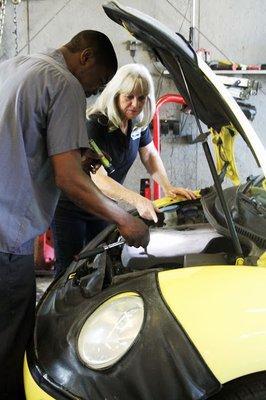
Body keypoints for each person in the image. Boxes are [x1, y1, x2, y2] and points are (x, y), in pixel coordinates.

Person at [0, 32, 149, 399]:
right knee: (10, 342)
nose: (92, 91)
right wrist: (124, 219)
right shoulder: (65, 84)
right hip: (6, 237)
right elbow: (67, 179)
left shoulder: (18, 65)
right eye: (97, 82)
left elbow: (22, 138)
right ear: (85, 57)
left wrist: (78, 157)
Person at [53, 63, 196, 277]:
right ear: (115, 93)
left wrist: (168, 187)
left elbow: (149, 154)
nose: (135, 104)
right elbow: (99, 179)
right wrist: (137, 200)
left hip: (101, 205)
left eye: (141, 98)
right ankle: (58, 311)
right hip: (72, 206)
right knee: (69, 272)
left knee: (100, 266)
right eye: (129, 97)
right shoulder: (95, 124)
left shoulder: (136, 122)